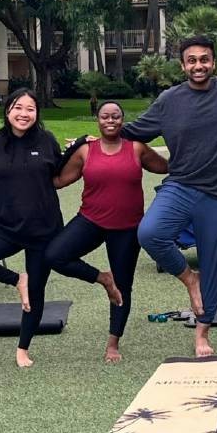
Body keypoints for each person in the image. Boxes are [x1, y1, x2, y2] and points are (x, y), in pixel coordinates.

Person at [122, 35, 217, 358]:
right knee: (150, 233)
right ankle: (191, 280)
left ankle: (203, 332)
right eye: (192, 60)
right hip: (181, 184)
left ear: (213, 62)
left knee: (213, 260)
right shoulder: (168, 101)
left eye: (204, 59)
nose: (198, 65)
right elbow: (133, 131)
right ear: (183, 65)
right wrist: (97, 139)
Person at [0, 90, 102, 368]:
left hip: (43, 230)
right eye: (18, 107)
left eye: (30, 109)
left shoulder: (45, 141)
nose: (24, 114)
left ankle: (23, 349)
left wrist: (82, 143)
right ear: (8, 111)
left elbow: (60, 168)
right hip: (6, 228)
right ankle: (15, 279)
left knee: (36, 293)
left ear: (37, 114)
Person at [48, 100, 169, 362]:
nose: (110, 120)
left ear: (122, 120)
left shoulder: (136, 148)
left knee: (124, 286)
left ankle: (113, 343)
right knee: (55, 255)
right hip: (90, 221)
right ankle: (103, 278)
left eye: (115, 116)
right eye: (105, 116)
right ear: (98, 120)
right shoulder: (85, 151)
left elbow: (166, 167)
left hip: (127, 229)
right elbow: (59, 181)